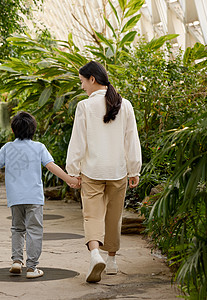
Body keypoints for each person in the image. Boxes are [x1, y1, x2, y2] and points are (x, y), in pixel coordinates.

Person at [66, 61, 141, 283]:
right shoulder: (124, 104)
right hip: (118, 171)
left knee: (92, 215)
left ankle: (94, 254)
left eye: (82, 82)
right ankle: (111, 261)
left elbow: (77, 142)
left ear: (92, 79)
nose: (82, 88)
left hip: (92, 171)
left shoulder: (85, 107)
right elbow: (131, 139)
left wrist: (73, 170)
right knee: (113, 216)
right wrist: (134, 169)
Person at [0, 111, 79, 279]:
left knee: (17, 228)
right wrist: (70, 179)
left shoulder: (7, 148)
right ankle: (32, 268)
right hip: (34, 197)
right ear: (34, 130)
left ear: (13, 130)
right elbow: (51, 166)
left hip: (15, 199)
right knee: (34, 230)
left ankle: (17, 261)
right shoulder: (39, 147)